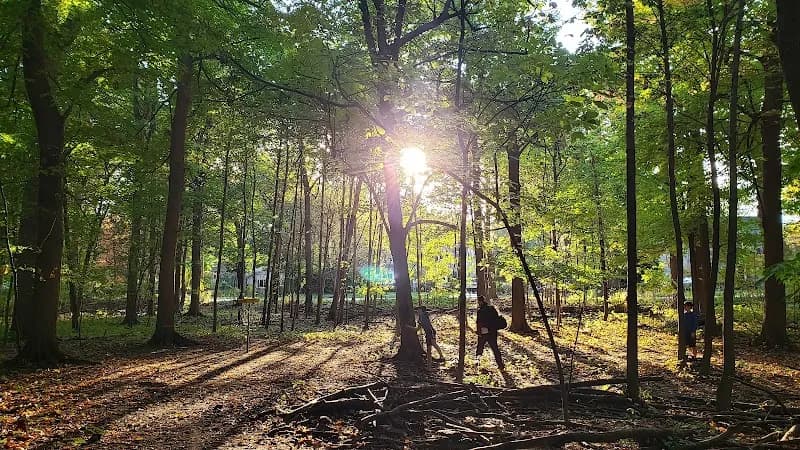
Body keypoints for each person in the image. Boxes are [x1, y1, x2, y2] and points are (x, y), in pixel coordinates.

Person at [476, 296, 505, 370]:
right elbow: (496, 318)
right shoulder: (492, 308)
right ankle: (500, 364)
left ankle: (477, 362)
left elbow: (479, 323)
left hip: (484, 332)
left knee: (480, 347)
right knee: (495, 348)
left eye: (478, 301)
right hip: (492, 332)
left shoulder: (480, 311)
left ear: (480, 302)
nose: (478, 303)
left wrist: (479, 332)